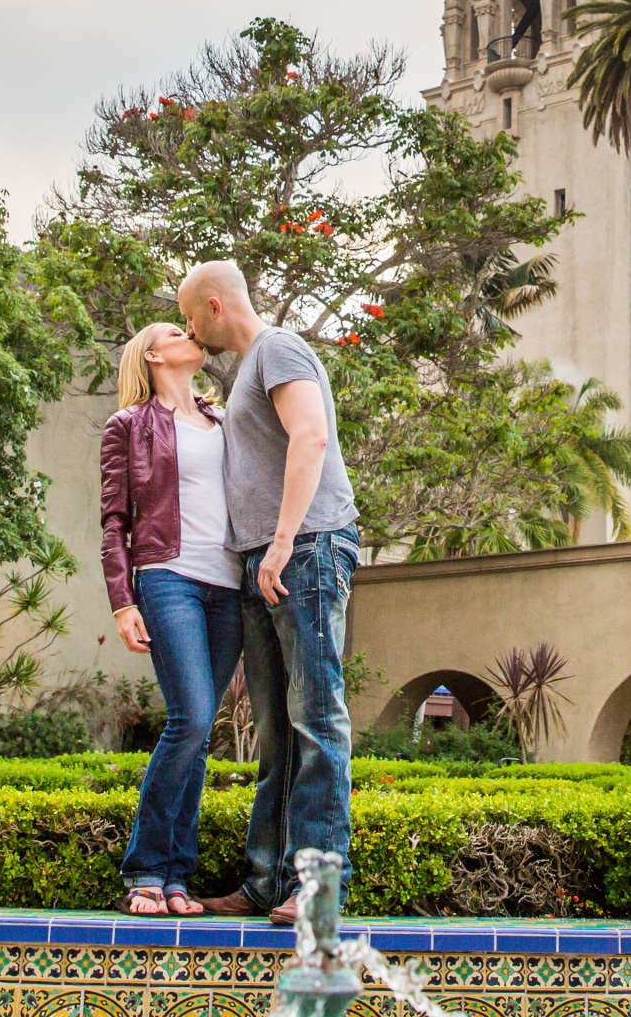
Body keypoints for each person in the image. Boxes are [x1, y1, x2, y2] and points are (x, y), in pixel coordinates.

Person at [177, 259, 359, 924]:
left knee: (316, 716)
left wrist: (283, 542)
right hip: (267, 560)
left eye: (190, 314)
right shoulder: (248, 373)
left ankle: (318, 887)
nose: (188, 327)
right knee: (278, 731)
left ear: (216, 305)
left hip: (305, 549)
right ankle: (266, 882)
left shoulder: (279, 348)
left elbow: (310, 436)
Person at [100, 319, 243, 917]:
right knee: (187, 719)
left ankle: (178, 877)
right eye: (175, 333)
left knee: (200, 728)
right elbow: (114, 520)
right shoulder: (129, 426)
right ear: (154, 355)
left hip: (229, 586)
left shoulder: (220, 418)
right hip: (168, 577)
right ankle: (146, 870)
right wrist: (122, 600)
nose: (191, 337)